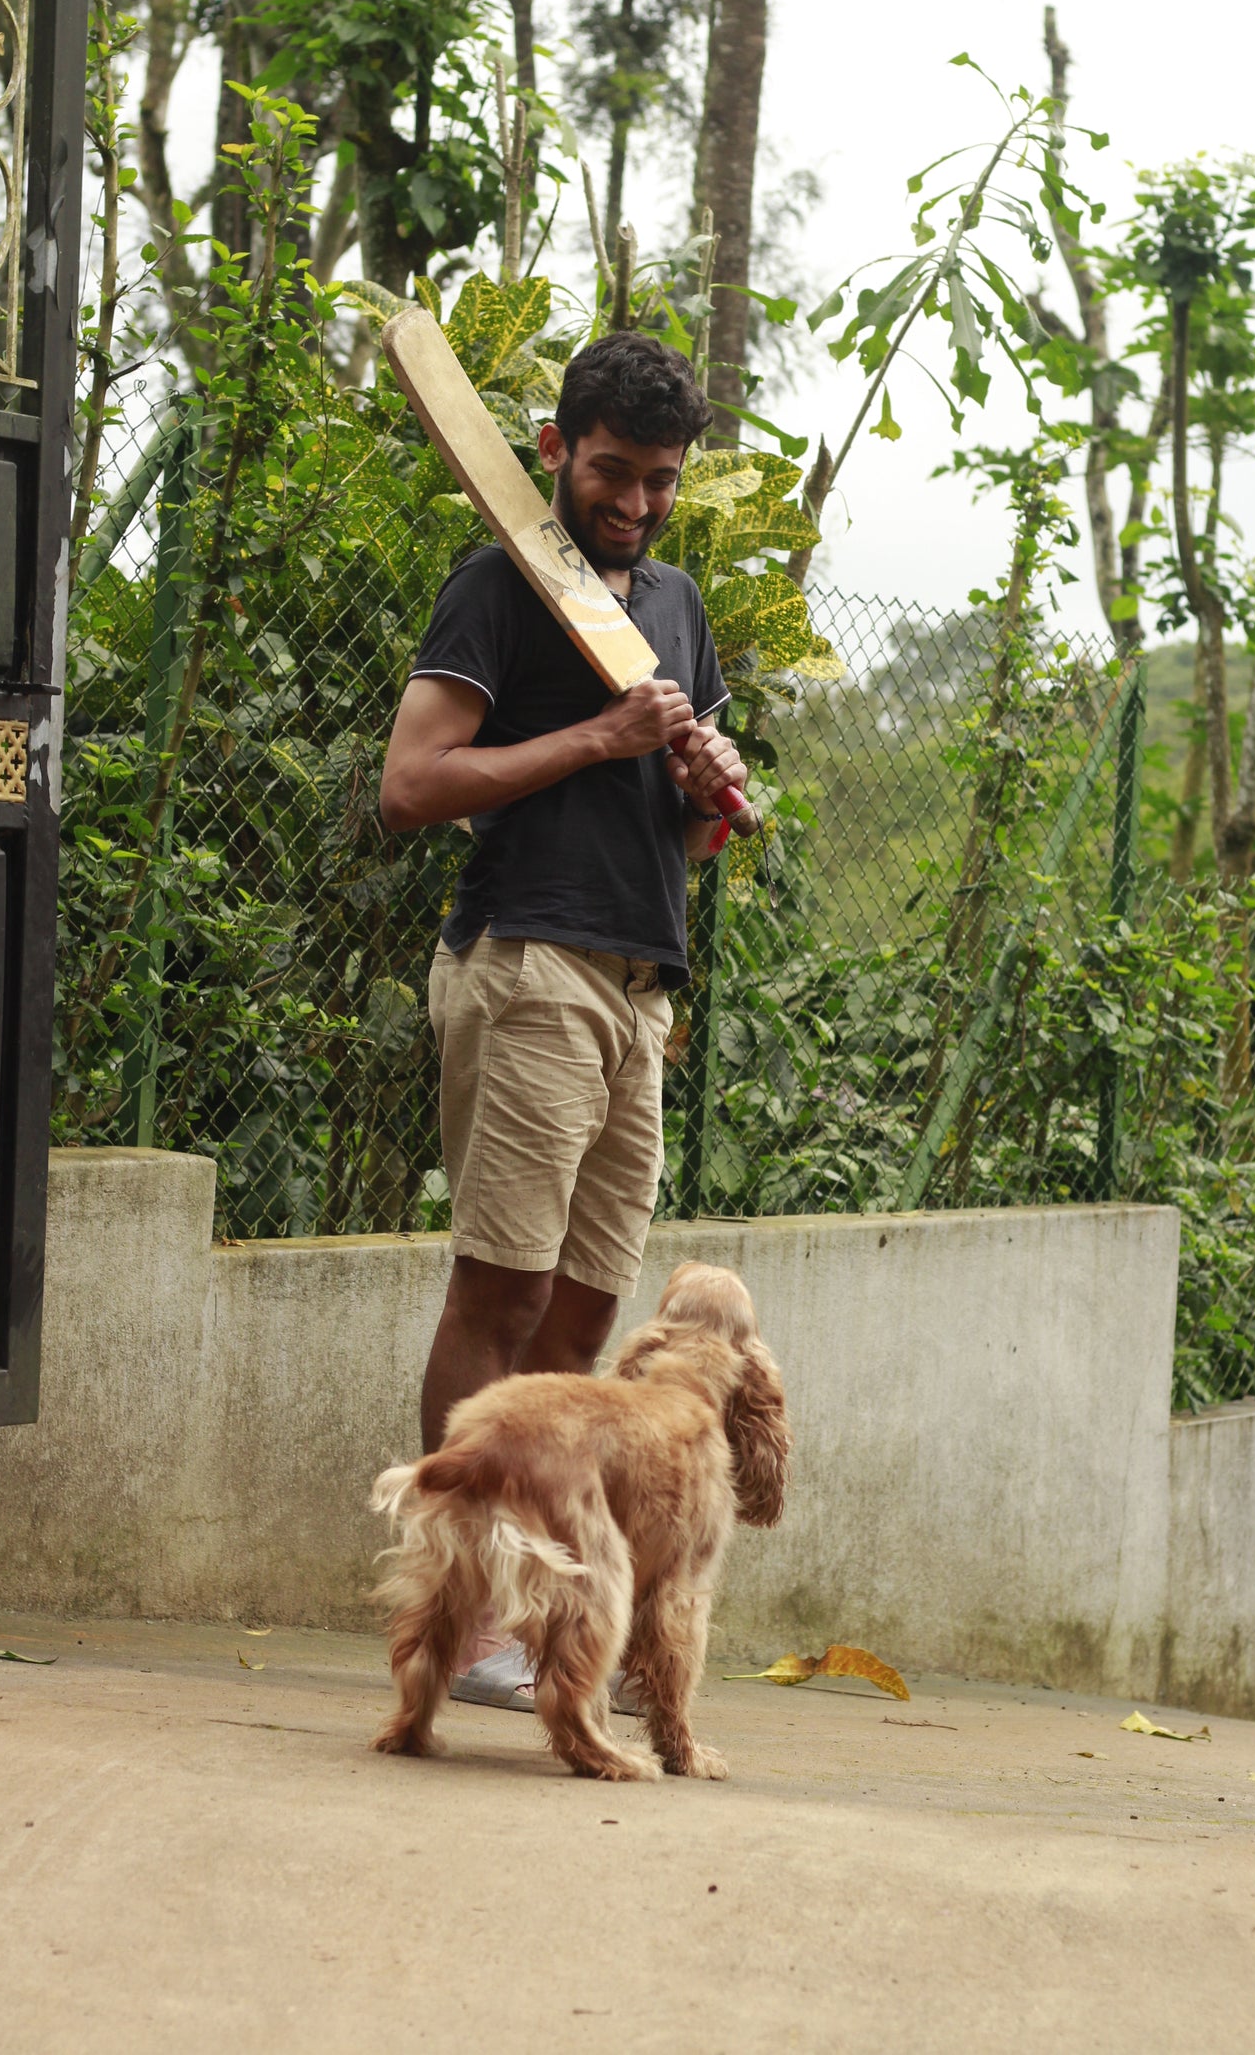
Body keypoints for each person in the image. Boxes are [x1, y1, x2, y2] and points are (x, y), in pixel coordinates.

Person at [378, 331, 748, 1707]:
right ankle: (457, 1604)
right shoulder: (498, 586)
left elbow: (686, 838)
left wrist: (710, 788)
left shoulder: (676, 605)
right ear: (553, 452)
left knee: (583, 1316)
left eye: (658, 482)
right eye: (611, 473)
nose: (636, 504)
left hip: (639, 989)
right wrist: (598, 736)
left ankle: (536, 1596)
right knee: (503, 1288)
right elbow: (410, 786)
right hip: (525, 962)